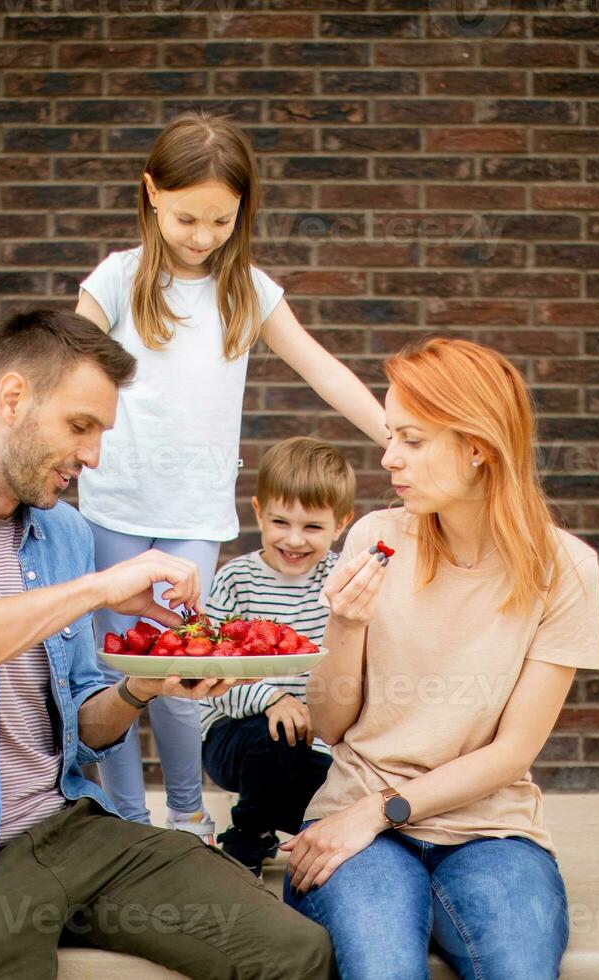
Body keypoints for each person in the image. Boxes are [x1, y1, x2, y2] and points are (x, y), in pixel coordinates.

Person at [0, 310, 333, 979]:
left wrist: (139, 688)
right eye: (80, 426)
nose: (92, 456)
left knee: (295, 951)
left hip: (71, 829)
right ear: (12, 400)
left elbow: (86, 723)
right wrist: (96, 589)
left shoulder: (61, 535)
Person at [74, 111, 385, 840]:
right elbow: (70, 370)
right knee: (123, 672)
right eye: (187, 217)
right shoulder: (117, 279)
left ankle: (186, 818)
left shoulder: (247, 289)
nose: (202, 235)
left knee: (186, 674)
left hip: (193, 515)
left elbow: (321, 368)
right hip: (113, 507)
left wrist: (393, 433)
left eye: (221, 220)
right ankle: (125, 818)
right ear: (150, 193)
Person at [281, 337, 599, 980]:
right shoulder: (377, 538)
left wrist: (381, 811)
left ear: (477, 447)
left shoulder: (565, 568)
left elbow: (513, 752)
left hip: (489, 832)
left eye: (412, 439)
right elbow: (329, 726)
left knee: (519, 969)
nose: (388, 456)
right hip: (358, 819)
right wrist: (345, 627)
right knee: (382, 969)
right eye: (391, 436)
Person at [199, 437, 354, 875]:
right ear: (257, 512)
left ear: (341, 524)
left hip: (315, 743)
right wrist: (271, 699)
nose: (294, 539)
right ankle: (247, 836)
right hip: (237, 735)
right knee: (275, 737)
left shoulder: (343, 580)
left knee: (334, 795)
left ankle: (280, 821)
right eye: (280, 521)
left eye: (313, 527)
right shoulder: (235, 580)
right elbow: (210, 672)